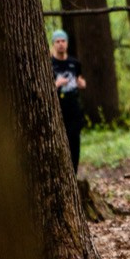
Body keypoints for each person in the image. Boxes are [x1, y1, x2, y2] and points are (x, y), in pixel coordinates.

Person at [50, 29, 87, 171]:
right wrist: (57, 84)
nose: (60, 44)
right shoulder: (49, 64)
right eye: (57, 41)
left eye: (63, 41)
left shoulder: (74, 63)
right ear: (53, 44)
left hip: (74, 109)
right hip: (57, 110)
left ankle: (74, 174)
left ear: (67, 43)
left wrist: (81, 83)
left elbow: (79, 79)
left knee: (74, 142)